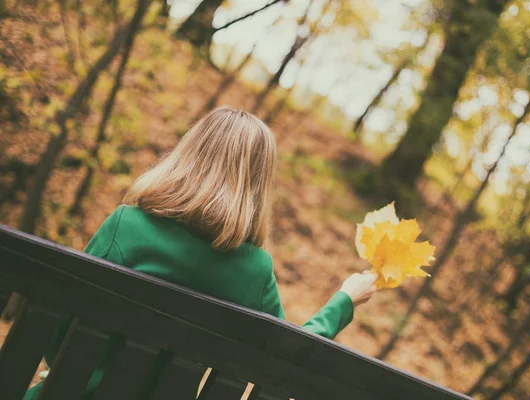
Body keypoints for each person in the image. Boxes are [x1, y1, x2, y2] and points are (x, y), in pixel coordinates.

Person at [25, 106, 377, 399]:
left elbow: (56, 329)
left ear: (189, 153)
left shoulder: (126, 226)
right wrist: (343, 301)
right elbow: (286, 356)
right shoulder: (254, 272)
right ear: (256, 186)